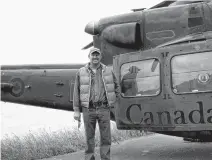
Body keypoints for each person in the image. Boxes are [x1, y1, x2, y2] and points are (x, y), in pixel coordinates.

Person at [73, 47, 120, 160]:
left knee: (106, 138)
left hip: (104, 108)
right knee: (89, 137)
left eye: (97, 55)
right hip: (88, 109)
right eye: (93, 55)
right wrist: (76, 111)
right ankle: (89, 158)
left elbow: (116, 86)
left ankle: (105, 158)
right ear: (89, 56)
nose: (95, 57)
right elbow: (76, 91)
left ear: (100, 57)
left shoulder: (108, 70)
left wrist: (113, 100)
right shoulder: (81, 72)